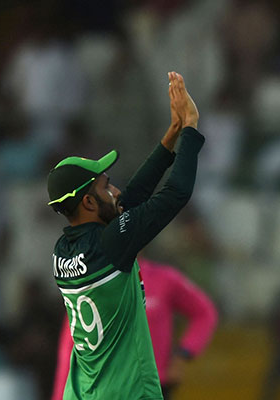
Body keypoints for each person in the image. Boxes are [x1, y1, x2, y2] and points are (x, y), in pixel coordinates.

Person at [46, 71, 204, 400]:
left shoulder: (64, 248)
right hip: (127, 393)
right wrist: (190, 128)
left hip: (84, 393)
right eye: (106, 186)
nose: (115, 190)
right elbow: (175, 193)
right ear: (88, 202)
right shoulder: (112, 243)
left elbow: (130, 198)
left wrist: (170, 135)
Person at [51, 257, 219, 400]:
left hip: (153, 387)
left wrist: (184, 353)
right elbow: (71, 348)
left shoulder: (164, 279)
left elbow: (204, 313)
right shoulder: (93, 285)